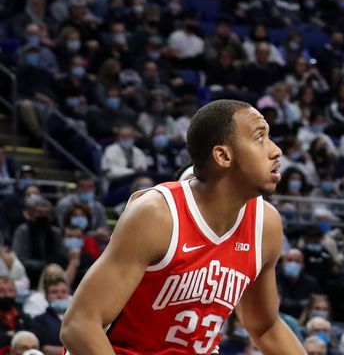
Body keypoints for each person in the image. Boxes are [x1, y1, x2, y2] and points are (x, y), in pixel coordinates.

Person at [61, 99, 306, 355]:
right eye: (260, 138)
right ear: (223, 155)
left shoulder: (266, 224)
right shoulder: (157, 214)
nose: (276, 150)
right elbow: (80, 325)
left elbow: (265, 327)